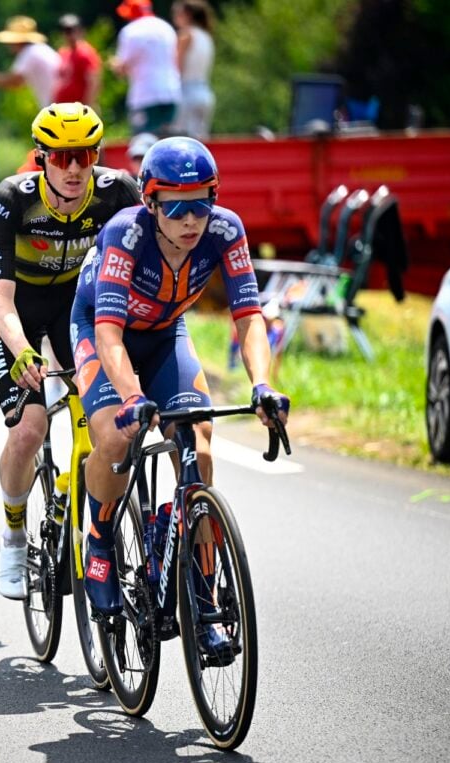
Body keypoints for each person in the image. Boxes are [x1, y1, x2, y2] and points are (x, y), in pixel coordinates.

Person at [70, 137, 290, 657]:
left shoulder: (225, 230)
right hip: (105, 331)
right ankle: (98, 543)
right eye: (175, 206)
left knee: (201, 449)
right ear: (150, 202)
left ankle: (203, 594)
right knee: (115, 437)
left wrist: (261, 384)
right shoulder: (126, 234)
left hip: (166, 332)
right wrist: (131, 398)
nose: (191, 219)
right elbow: (108, 336)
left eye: (202, 202)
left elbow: (249, 318)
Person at [0, 102, 140, 600]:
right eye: (61, 156)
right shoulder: (13, 198)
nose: (74, 168)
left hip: (83, 311)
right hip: (20, 315)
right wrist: (24, 350)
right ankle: (10, 534)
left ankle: (88, 521)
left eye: (85, 155)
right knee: (30, 428)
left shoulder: (118, 193)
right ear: (40, 157)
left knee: (106, 426)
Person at [111, 0, 182, 134]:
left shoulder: (130, 31)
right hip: (171, 91)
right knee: (167, 139)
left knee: (144, 140)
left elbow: (122, 67)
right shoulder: (166, 27)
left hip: (145, 94)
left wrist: (114, 64)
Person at [0, 16, 61, 108]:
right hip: (62, 104)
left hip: (57, 105)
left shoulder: (29, 53)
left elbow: (14, 82)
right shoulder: (39, 50)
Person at [173, 0, 216, 139]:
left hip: (186, 93)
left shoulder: (186, 35)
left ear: (187, 15)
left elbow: (176, 66)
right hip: (204, 91)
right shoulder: (207, 37)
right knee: (200, 142)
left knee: (183, 141)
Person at [54, 14, 102, 109]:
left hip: (79, 110)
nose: (70, 35)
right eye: (66, 31)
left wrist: (88, 107)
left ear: (81, 31)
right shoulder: (63, 52)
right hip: (62, 108)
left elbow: (94, 82)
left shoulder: (85, 53)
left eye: (73, 31)